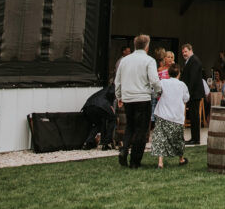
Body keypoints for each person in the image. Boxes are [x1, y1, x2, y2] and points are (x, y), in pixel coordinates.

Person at [115, 34, 162, 169]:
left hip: (128, 98)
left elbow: (118, 80)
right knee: (141, 131)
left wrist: (119, 96)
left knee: (130, 126)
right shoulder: (149, 60)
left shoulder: (125, 60)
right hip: (142, 98)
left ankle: (124, 150)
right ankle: (135, 161)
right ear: (147, 47)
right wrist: (158, 90)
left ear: (135, 46)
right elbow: (154, 80)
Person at [149, 64, 190, 168]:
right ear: (179, 73)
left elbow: (155, 92)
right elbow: (186, 98)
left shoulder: (163, 82)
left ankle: (160, 162)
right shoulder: (182, 85)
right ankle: (181, 159)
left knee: (160, 138)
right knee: (178, 138)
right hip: (176, 116)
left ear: (168, 73)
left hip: (162, 113)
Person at [179, 43, 206, 145]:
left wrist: (187, 93)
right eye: (183, 52)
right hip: (193, 93)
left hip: (194, 93)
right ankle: (194, 138)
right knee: (193, 115)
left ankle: (196, 138)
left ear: (191, 50)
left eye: (186, 51)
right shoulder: (190, 61)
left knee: (194, 116)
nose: (184, 54)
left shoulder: (194, 61)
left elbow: (193, 79)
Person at [81, 83, 117, 150]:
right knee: (113, 119)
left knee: (98, 124)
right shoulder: (114, 86)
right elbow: (111, 92)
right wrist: (111, 105)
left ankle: (87, 143)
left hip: (88, 106)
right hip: (100, 105)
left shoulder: (104, 90)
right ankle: (106, 143)